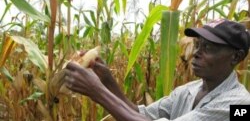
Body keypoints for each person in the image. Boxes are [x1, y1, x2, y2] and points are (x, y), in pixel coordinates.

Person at [64, 19, 250, 121]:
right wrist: (107, 80)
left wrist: (97, 91)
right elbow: (140, 114)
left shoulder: (239, 106)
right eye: (197, 45)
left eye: (208, 48)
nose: (196, 53)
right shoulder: (188, 90)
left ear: (236, 56)